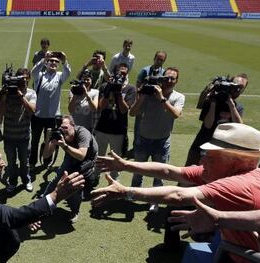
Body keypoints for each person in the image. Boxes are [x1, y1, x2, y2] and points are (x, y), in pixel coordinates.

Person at [92, 123, 260, 262]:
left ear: (236, 161)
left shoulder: (241, 183)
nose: (201, 161)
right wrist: (126, 165)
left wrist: (125, 192)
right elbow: (169, 171)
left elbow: (179, 196)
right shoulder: (222, 171)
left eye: (210, 156)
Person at [0, 139, 85, 263]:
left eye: (1, 158)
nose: (3, 164)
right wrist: (56, 195)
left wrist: (27, 218)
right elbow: (10, 217)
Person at [129, 67, 185, 212]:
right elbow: (133, 113)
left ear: (177, 81)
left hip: (162, 141)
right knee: (137, 170)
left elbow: (176, 114)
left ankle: (155, 200)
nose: (169, 81)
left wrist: (161, 99)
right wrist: (141, 97)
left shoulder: (178, 97)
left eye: (172, 78)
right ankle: (134, 193)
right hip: (143, 138)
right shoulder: (149, 94)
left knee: (159, 174)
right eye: (166, 78)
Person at [42, 116, 98, 223]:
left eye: (65, 127)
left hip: (87, 160)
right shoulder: (60, 134)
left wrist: (64, 146)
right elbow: (46, 155)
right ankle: (43, 203)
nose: (63, 130)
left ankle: (74, 211)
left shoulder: (83, 133)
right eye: (61, 128)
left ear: (73, 125)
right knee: (58, 178)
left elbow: (82, 155)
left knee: (76, 185)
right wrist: (48, 140)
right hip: (71, 154)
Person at [185, 73, 248, 166]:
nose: (237, 90)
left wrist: (231, 105)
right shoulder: (211, 101)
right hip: (201, 145)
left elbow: (239, 126)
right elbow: (208, 125)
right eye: (235, 86)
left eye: (241, 88)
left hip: (220, 150)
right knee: (188, 175)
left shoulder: (238, 107)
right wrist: (213, 102)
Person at [0, 68, 36, 193]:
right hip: (9, 136)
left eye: (26, 78)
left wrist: (20, 95)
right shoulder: (7, 93)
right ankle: (13, 182)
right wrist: (4, 97)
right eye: (21, 78)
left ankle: (26, 180)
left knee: (25, 162)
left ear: (29, 79)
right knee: (11, 163)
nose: (24, 81)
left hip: (23, 136)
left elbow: (32, 110)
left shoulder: (31, 93)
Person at [93, 63, 136, 180]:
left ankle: (113, 180)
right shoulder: (105, 86)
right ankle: (95, 176)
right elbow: (101, 106)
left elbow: (124, 110)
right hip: (102, 128)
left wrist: (118, 93)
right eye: (119, 72)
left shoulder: (130, 89)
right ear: (114, 72)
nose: (122, 75)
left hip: (118, 130)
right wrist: (108, 90)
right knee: (98, 155)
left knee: (116, 158)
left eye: (124, 73)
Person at [29, 51, 71, 168]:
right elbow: (33, 72)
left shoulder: (59, 76)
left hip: (52, 116)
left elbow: (68, 72)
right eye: (51, 61)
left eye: (56, 61)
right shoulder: (40, 75)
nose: (53, 62)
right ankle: (32, 162)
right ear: (46, 63)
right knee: (35, 141)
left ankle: (47, 161)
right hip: (38, 115)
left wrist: (64, 59)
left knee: (51, 141)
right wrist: (43, 59)